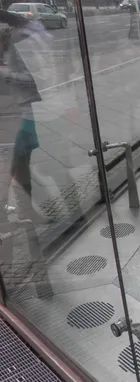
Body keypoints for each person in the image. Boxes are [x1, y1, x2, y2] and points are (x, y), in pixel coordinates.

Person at [0, 11, 52, 226]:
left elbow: (33, 27)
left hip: (21, 108)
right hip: (4, 116)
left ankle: (26, 209)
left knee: (23, 161)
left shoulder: (9, 44)